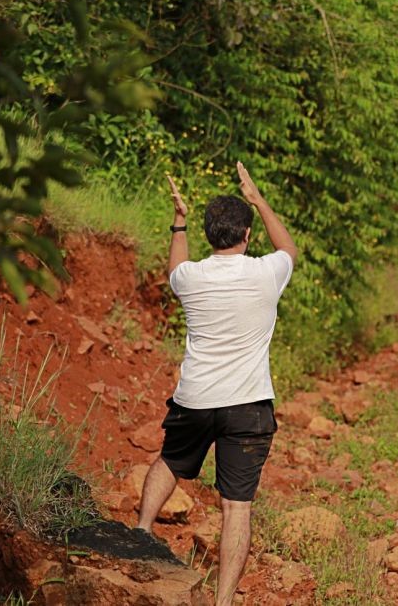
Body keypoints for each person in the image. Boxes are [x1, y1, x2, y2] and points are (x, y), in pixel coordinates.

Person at [136, 162, 297, 606]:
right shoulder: (266, 273)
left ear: (210, 236)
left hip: (196, 399)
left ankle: (140, 532)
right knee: (236, 507)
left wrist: (179, 220)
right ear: (247, 234)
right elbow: (290, 248)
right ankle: (223, 602)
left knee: (170, 459)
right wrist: (258, 198)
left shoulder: (191, 278)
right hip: (248, 406)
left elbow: (174, 265)